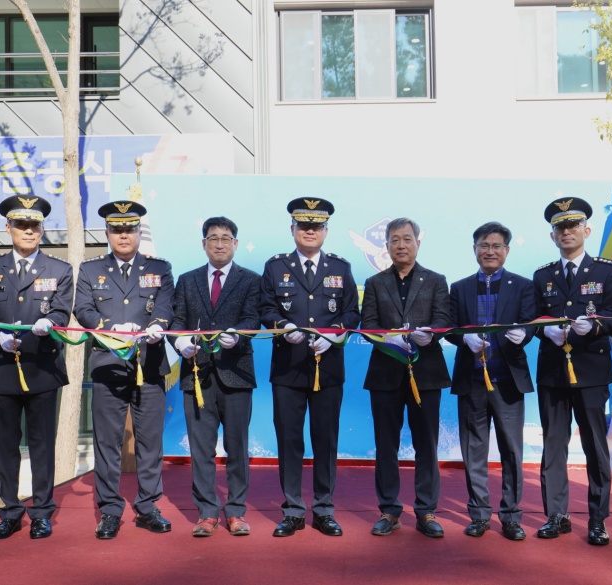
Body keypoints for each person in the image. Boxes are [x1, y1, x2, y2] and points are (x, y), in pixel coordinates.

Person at [259, 198, 359, 537]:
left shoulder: (340, 268)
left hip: (328, 367)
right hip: (288, 368)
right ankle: (292, 510)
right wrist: (281, 326)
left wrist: (333, 337)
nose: (310, 231)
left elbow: (352, 313)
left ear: (326, 231)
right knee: (289, 441)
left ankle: (324, 510)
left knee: (325, 441)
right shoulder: (275, 267)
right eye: (304, 225)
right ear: (293, 230)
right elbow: (266, 308)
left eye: (316, 226)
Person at [0, 195, 73, 540]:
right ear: (9, 228)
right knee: (5, 446)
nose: (28, 231)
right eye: (21, 225)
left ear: (42, 229)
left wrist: (51, 322)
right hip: (2, 368)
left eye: (34, 225)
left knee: (42, 445)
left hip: (41, 368)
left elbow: (61, 312)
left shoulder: (60, 269)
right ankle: (11, 511)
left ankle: (42, 512)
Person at [73, 201, 174, 539]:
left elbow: (165, 307)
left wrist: (158, 325)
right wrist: (109, 327)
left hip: (149, 364)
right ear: (107, 233)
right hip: (108, 365)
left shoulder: (159, 268)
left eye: (129, 229)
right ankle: (111, 511)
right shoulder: (90, 270)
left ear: (137, 232)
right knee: (107, 443)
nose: (123, 235)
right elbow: (82, 308)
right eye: (117, 229)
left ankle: (147, 507)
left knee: (149, 442)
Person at [532, 198, 612, 545]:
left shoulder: (607, 271)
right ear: (553, 236)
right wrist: (546, 329)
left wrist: (597, 326)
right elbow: (533, 317)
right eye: (560, 228)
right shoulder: (543, 275)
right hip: (553, 372)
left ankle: (598, 519)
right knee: (553, 445)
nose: (566, 232)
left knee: (595, 446)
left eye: (573, 226)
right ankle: (557, 515)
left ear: (586, 230)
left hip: (590, 371)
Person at [361, 218, 452, 538]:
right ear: (386, 246)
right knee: (386, 444)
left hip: (425, 373)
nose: (401, 245)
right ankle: (389, 510)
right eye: (395, 240)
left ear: (418, 242)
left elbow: (444, 319)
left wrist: (431, 334)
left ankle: (426, 511)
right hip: (385, 374)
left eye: (407, 239)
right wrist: (387, 338)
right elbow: (368, 325)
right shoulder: (374, 283)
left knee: (426, 444)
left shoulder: (437, 280)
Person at [171, 216, 261, 537]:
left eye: (226, 238)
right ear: (204, 243)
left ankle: (236, 512)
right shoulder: (187, 280)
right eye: (213, 238)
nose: (220, 243)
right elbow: (177, 319)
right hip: (197, 377)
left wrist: (239, 336)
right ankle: (207, 512)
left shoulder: (251, 280)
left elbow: (253, 317)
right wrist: (180, 342)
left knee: (237, 448)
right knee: (201, 450)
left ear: (235, 243)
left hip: (236, 375)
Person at [447, 221, 535, 541]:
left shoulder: (523, 286)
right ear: (474, 250)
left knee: (511, 450)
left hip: (507, 380)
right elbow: (451, 328)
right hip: (472, 379)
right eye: (484, 245)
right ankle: (480, 514)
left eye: (497, 246)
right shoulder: (459, 288)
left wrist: (523, 334)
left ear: (507, 251)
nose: (490, 251)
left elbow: (531, 324)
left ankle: (511, 515)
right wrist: (463, 339)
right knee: (475, 451)